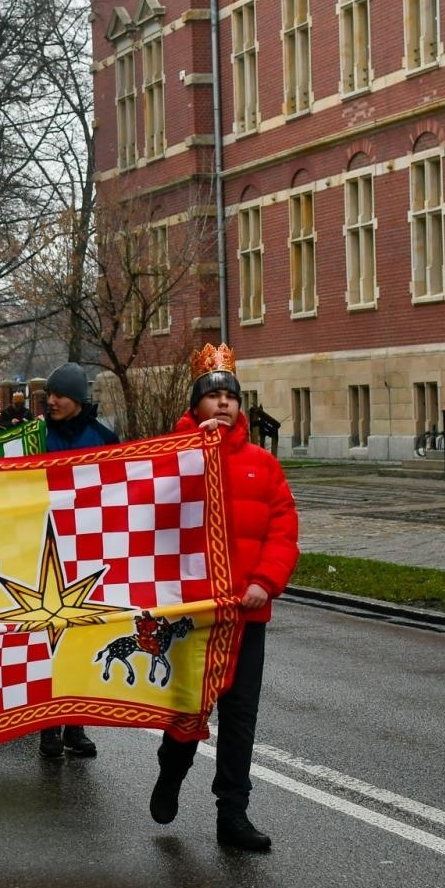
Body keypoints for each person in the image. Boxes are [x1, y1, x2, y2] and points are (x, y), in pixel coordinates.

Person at [150, 343, 299, 852]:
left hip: (246, 613)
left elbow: (283, 529)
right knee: (188, 708)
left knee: (240, 717)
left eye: (230, 396)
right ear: (195, 406)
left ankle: (232, 813)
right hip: (192, 614)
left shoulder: (263, 464)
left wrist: (265, 581)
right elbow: (152, 518)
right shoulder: (168, 461)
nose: (223, 404)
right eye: (212, 395)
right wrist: (195, 456)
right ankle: (171, 775)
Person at [37, 361, 119, 761]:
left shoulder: (103, 439)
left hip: (88, 552)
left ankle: (76, 725)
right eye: (49, 395)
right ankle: (48, 726)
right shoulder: (33, 438)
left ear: (78, 399)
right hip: (42, 551)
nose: (51, 401)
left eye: (60, 395)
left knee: (82, 637)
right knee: (47, 641)